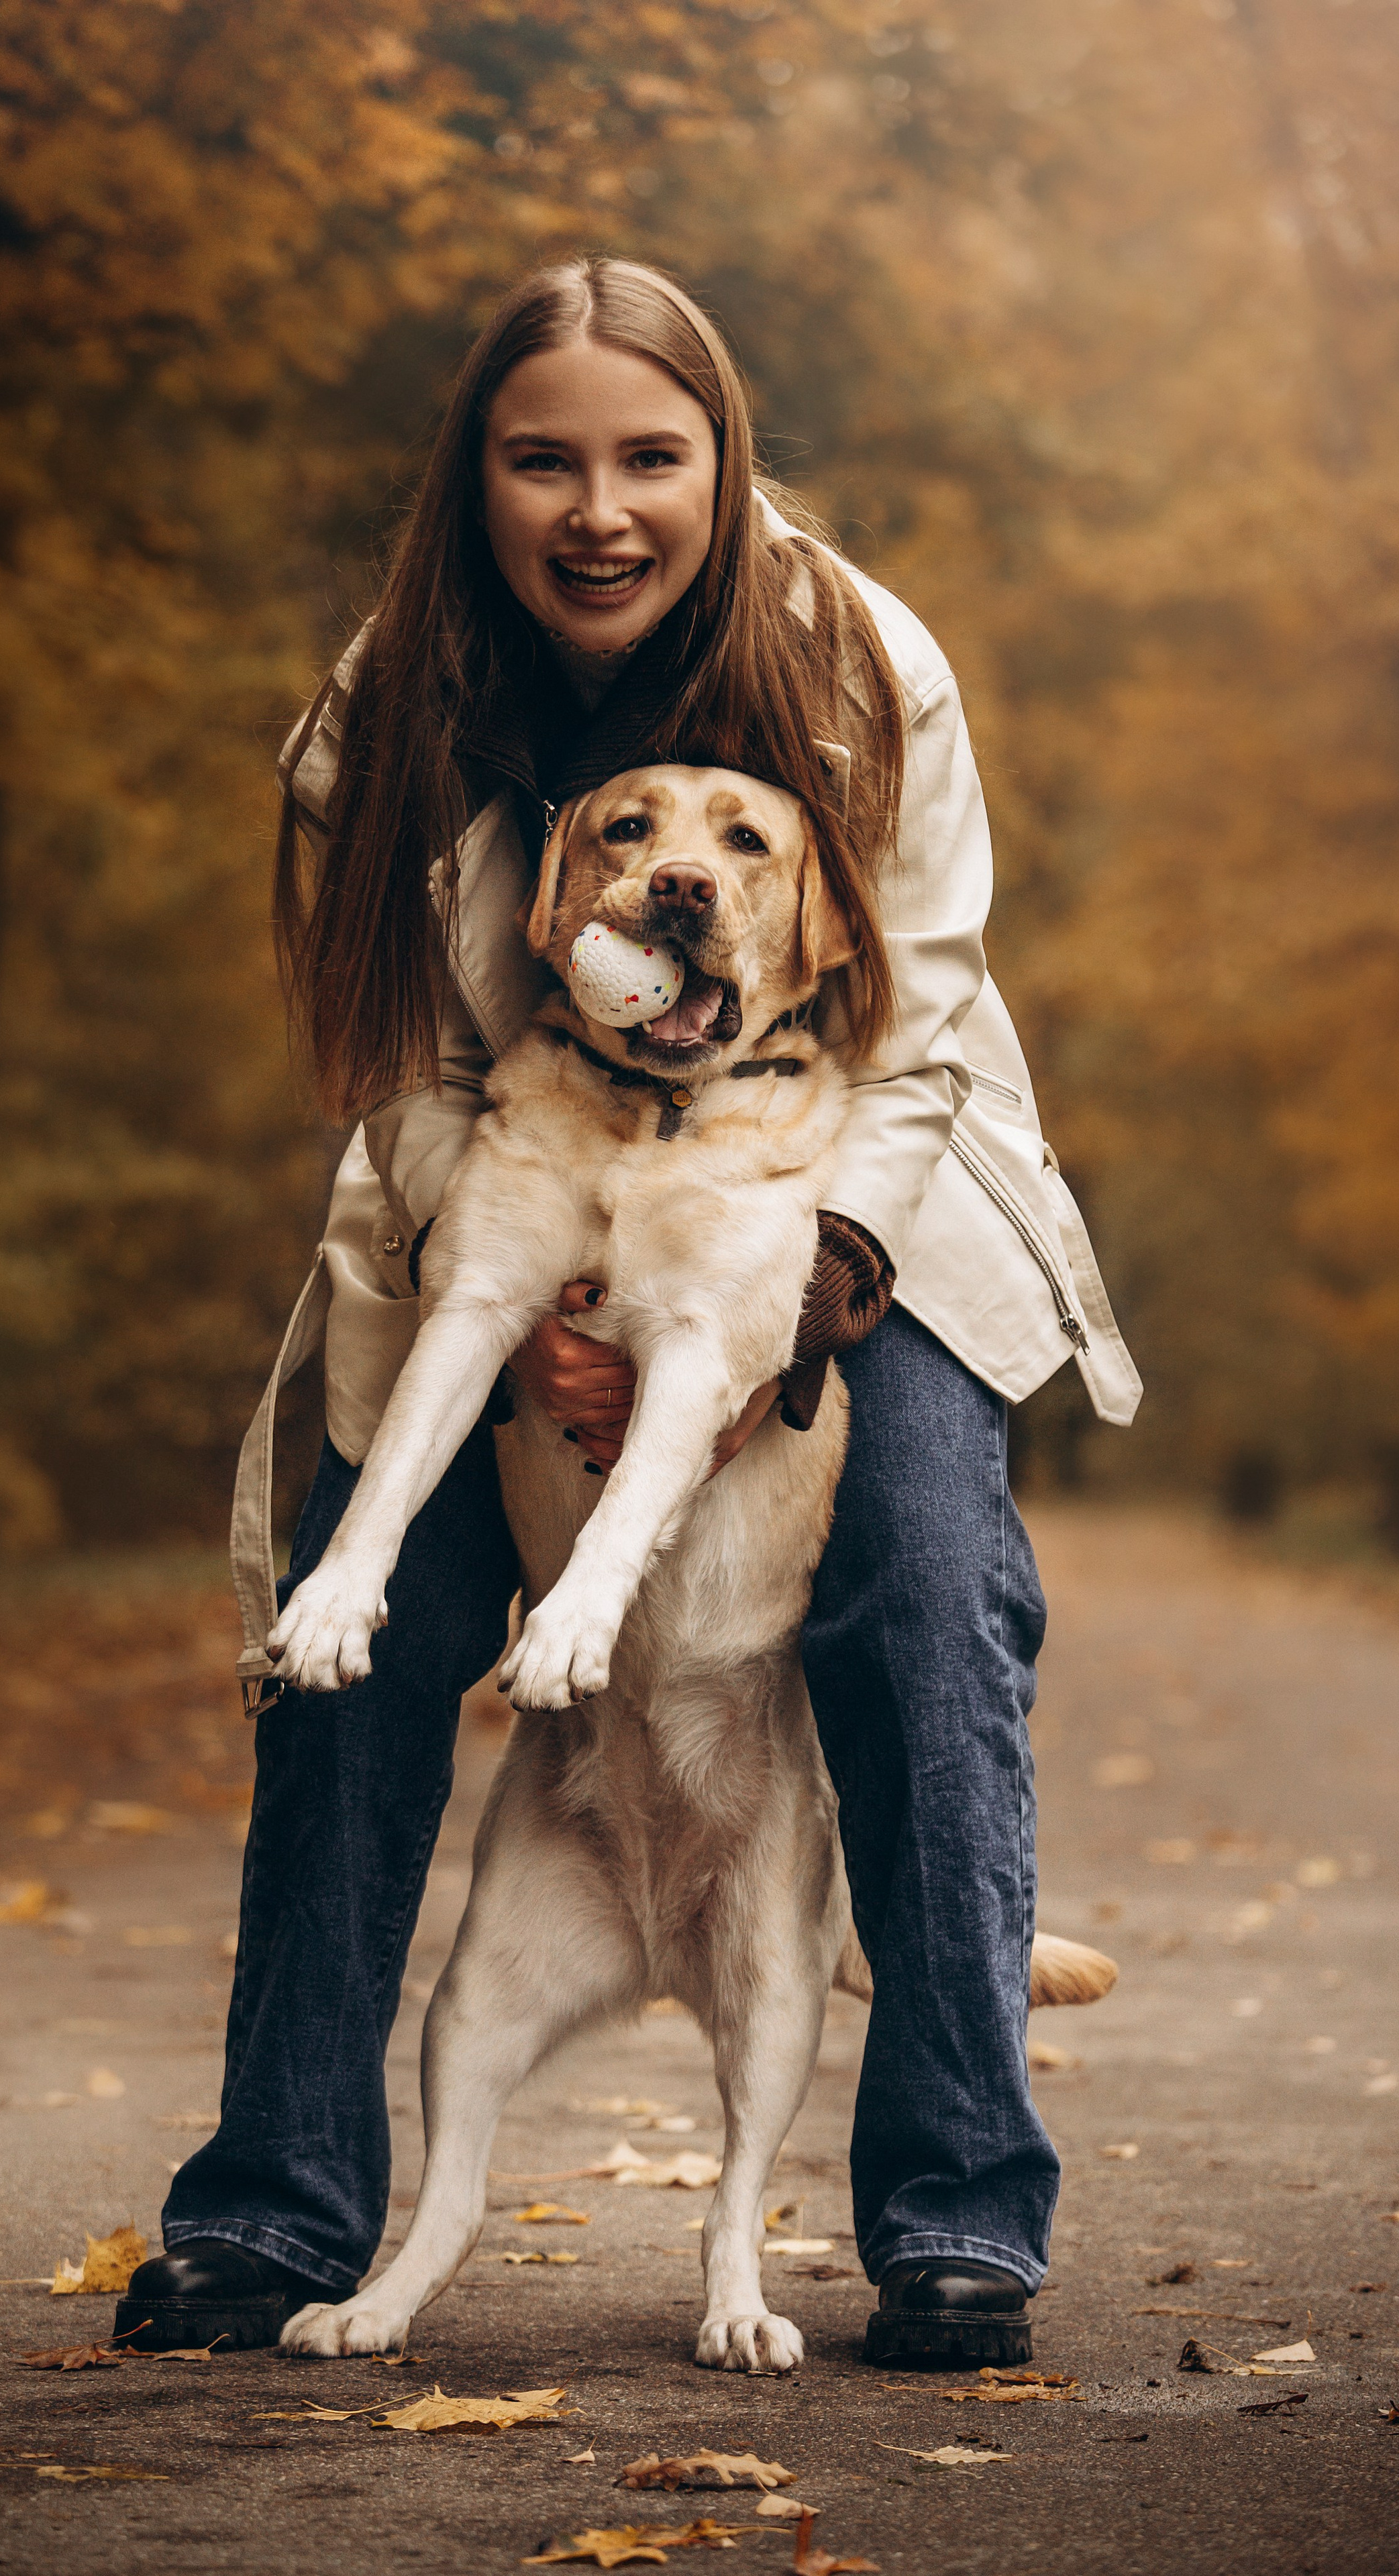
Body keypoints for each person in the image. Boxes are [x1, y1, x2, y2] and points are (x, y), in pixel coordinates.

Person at [117, 257, 1139, 2369]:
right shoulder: (379, 715)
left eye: (649, 456)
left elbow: (925, 1018)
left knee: (928, 1582)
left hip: (851, 1187)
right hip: (515, 1184)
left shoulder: (863, 662)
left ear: (719, 463)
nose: (601, 506)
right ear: (473, 479)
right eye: (544, 458)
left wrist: (801, 1295)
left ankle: (956, 2214)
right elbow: (402, 1062)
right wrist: (552, 1296)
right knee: (342, 1612)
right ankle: (276, 2207)